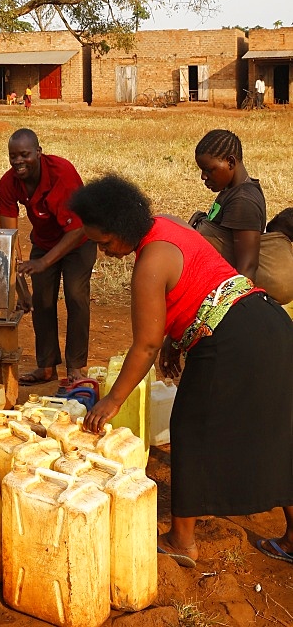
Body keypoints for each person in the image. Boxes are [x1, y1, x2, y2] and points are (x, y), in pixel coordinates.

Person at [72, 173, 293, 569]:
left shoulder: (148, 267)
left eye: (104, 243)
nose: (103, 252)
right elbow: (196, 280)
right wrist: (178, 340)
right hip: (271, 324)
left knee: (191, 428)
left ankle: (181, 540)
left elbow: (145, 344)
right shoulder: (169, 224)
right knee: (278, 429)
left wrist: (112, 400)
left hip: (232, 341)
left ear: (122, 229)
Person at [0, 128, 96, 385]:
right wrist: (20, 289)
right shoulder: (9, 183)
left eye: (24, 154)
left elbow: (77, 228)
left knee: (76, 297)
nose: (18, 161)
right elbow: (8, 238)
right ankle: (46, 366)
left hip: (78, 241)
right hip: (43, 241)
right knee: (42, 301)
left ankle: (76, 367)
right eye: (13, 156)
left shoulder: (62, 173)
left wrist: (43, 262)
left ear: (39, 152)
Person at [194, 129, 265, 281]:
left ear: (230, 162)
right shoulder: (231, 190)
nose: (203, 176)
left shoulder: (243, 201)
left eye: (209, 169)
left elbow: (247, 268)